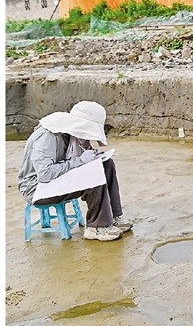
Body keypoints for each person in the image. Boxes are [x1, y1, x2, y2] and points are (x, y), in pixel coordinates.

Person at [18, 101, 133, 242]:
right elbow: (45, 174)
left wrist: (93, 157)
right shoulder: (47, 136)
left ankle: (113, 217)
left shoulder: (72, 135)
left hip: (55, 179)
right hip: (36, 188)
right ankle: (96, 227)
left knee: (106, 164)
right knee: (92, 174)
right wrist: (80, 161)